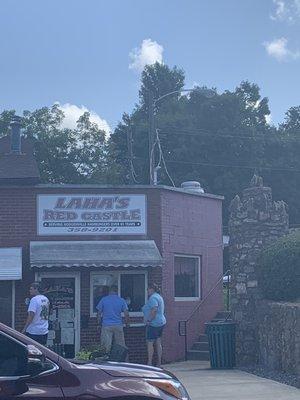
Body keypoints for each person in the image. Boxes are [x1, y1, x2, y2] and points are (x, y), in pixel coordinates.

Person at [96, 285, 129, 355]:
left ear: (110, 291)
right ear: (117, 291)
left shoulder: (104, 300)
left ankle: (105, 361)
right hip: (118, 325)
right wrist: (127, 323)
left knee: (105, 346)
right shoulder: (121, 300)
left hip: (106, 325)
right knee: (121, 345)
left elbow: (98, 313)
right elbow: (126, 314)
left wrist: (98, 324)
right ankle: (122, 362)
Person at [142, 283, 166, 367]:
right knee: (158, 342)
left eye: (148, 289)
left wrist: (149, 320)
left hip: (153, 324)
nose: (147, 291)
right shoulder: (159, 296)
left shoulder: (153, 298)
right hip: (161, 322)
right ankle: (159, 362)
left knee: (150, 343)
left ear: (152, 289)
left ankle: (149, 362)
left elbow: (154, 310)